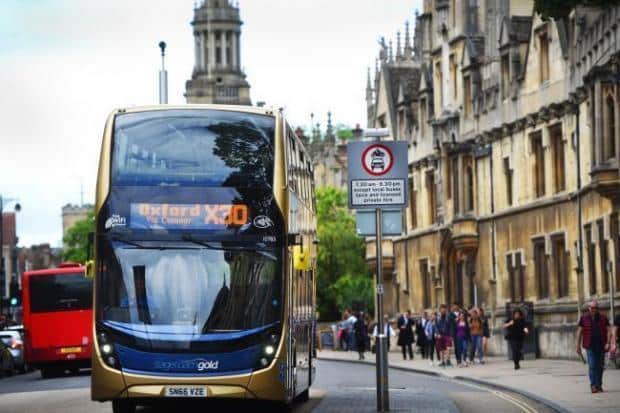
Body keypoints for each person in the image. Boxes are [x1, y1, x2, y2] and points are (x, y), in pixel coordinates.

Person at [576, 300, 611, 393]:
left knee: (600, 366)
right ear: (589, 308)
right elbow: (579, 333)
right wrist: (577, 346)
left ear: (598, 308)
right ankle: (593, 385)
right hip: (589, 345)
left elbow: (608, 331)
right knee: (592, 365)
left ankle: (599, 384)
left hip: (601, 345)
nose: (594, 309)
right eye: (592, 308)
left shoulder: (603, 318)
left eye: (595, 308)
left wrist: (608, 343)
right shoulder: (583, 318)